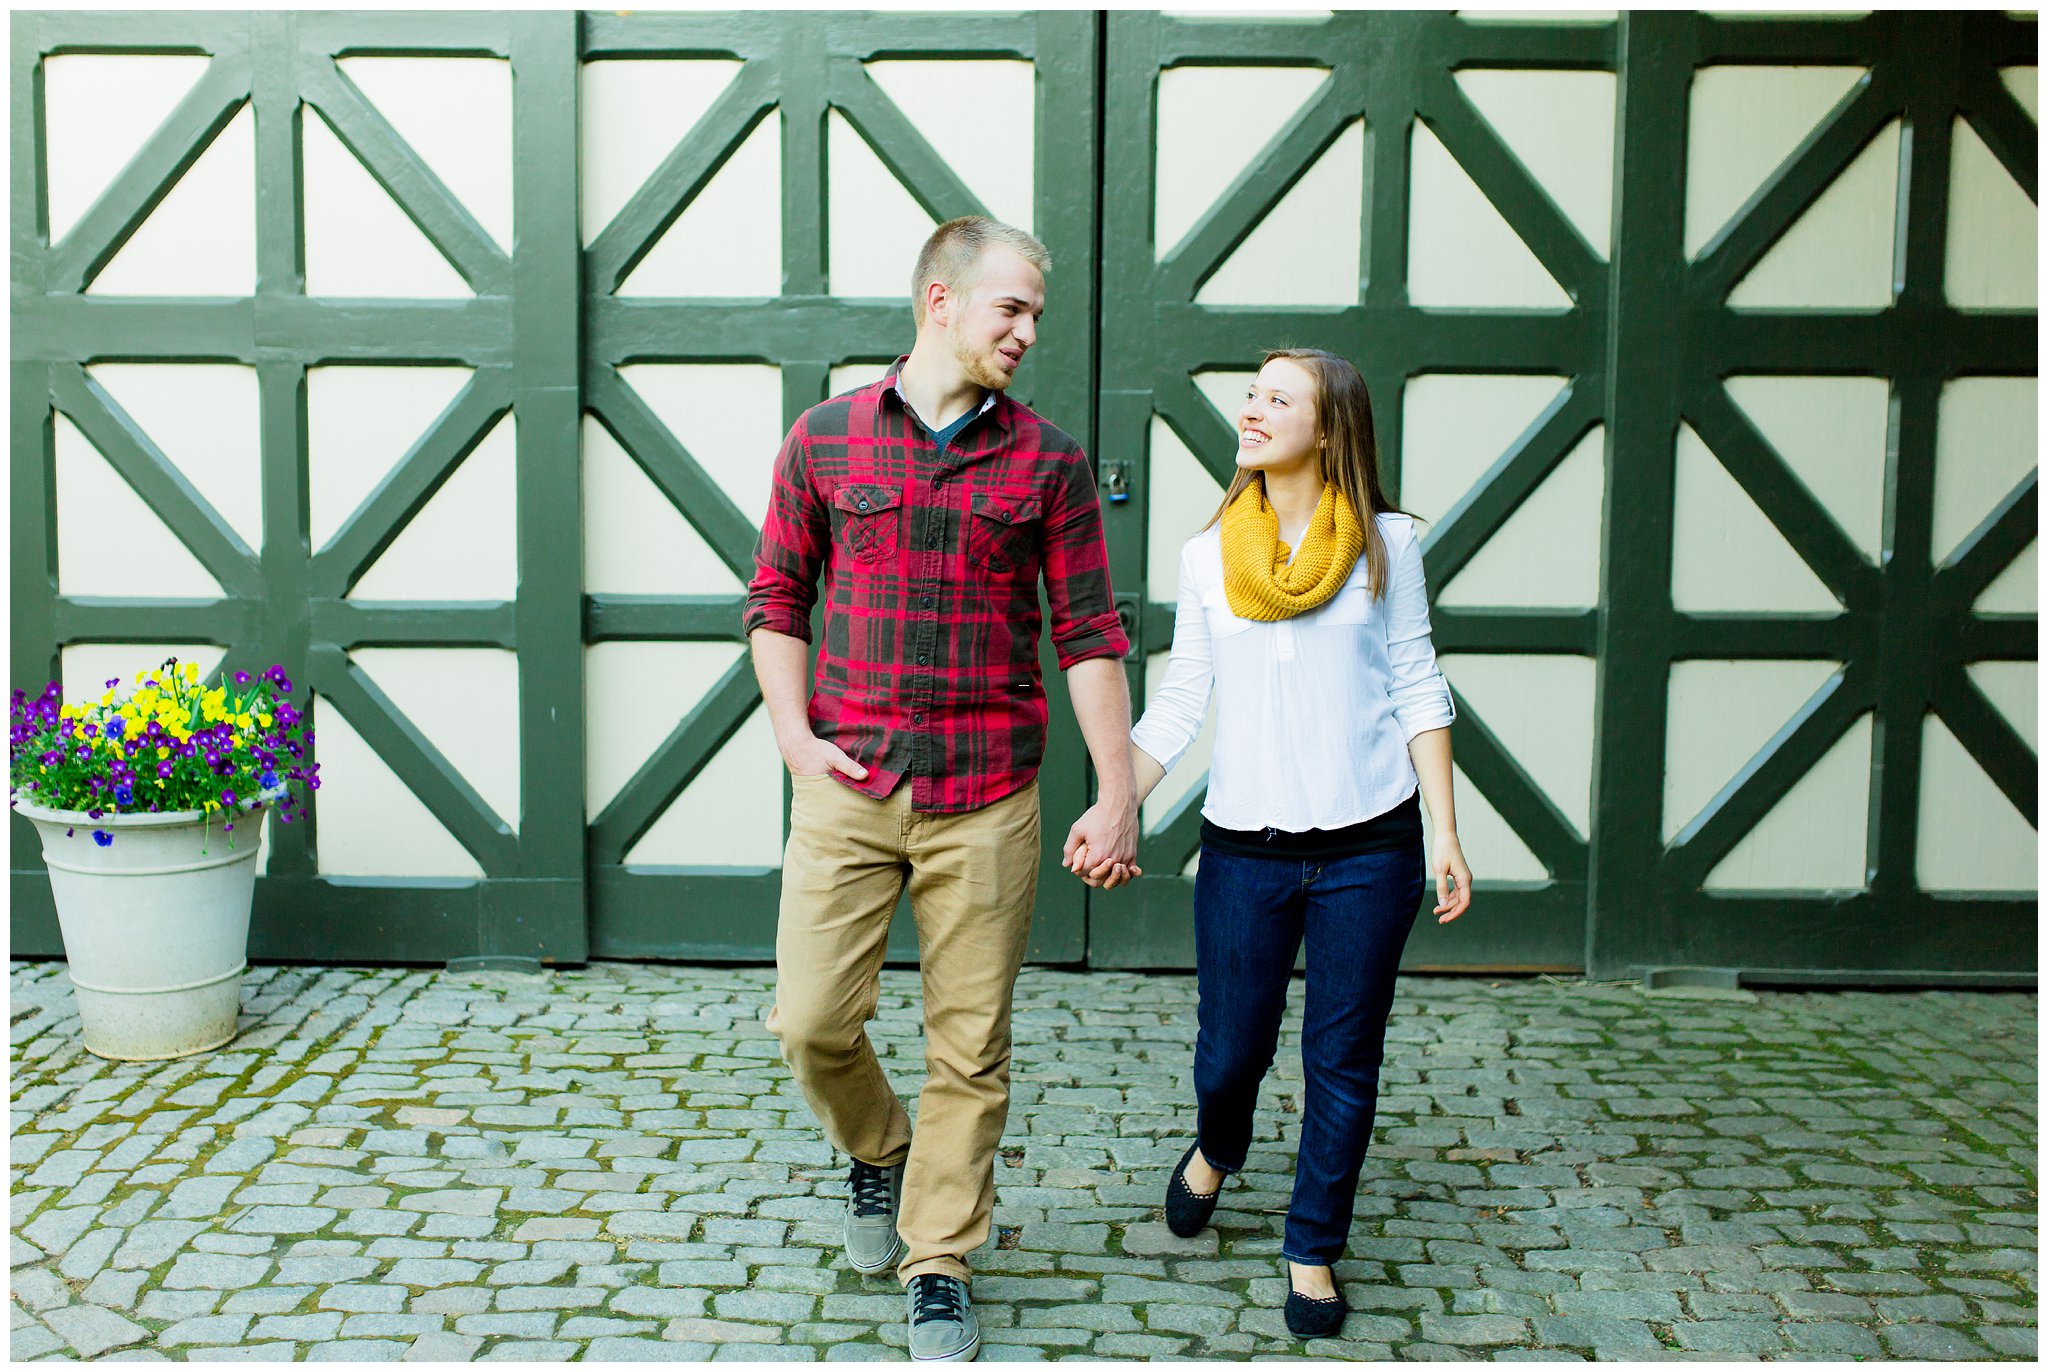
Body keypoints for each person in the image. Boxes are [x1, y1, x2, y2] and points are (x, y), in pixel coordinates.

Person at [742, 215, 1138, 1363]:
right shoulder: (822, 440)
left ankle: (939, 1258)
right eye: (1009, 308)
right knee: (810, 1022)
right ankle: (878, 1151)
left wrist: (1113, 794)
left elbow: (1088, 633)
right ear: (939, 302)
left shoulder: (1049, 461)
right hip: (847, 782)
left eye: (1035, 316)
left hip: (988, 793)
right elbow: (775, 600)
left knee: (970, 1044)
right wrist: (793, 739)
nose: (1026, 332)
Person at [1069, 348, 1474, 1340]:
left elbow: (1417, 684)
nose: (1249, 410)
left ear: (1328, 427)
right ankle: (1217, 1145)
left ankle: (1310, 1248)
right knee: (1229, 1051)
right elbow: (1181, 699)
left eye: (1275, 399)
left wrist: (1444, 833)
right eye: (1250, 394)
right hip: (1244, 848)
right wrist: (1114, 800)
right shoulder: (1207, 553)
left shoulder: (1388, 544)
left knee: (1341, 1055)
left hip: (1368, 846)